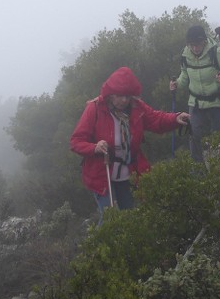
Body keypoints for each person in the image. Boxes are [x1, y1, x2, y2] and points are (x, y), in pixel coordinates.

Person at [70, 66, 189, 221]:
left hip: (128, 171)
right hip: (102, 172)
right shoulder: (95, 108)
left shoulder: (136, 107)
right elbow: (76, 141)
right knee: (109, 219)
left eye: (127, 96)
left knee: (130, 217)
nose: (124, 100)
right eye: (120, 96)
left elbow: (155, 119)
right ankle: (99, 244)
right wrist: (95, 147)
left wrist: (175, 118)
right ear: (111, 94)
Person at [170, 25, 220, 162]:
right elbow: (185, 75)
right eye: (192, 45)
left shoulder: (215, 52)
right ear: (188, 44)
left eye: (198, 44)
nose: (195, 48)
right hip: (196, 102)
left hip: (217, 101)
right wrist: (177, 83)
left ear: (204, 41)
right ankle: (198, 169)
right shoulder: (185, 56)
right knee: (194, 134)